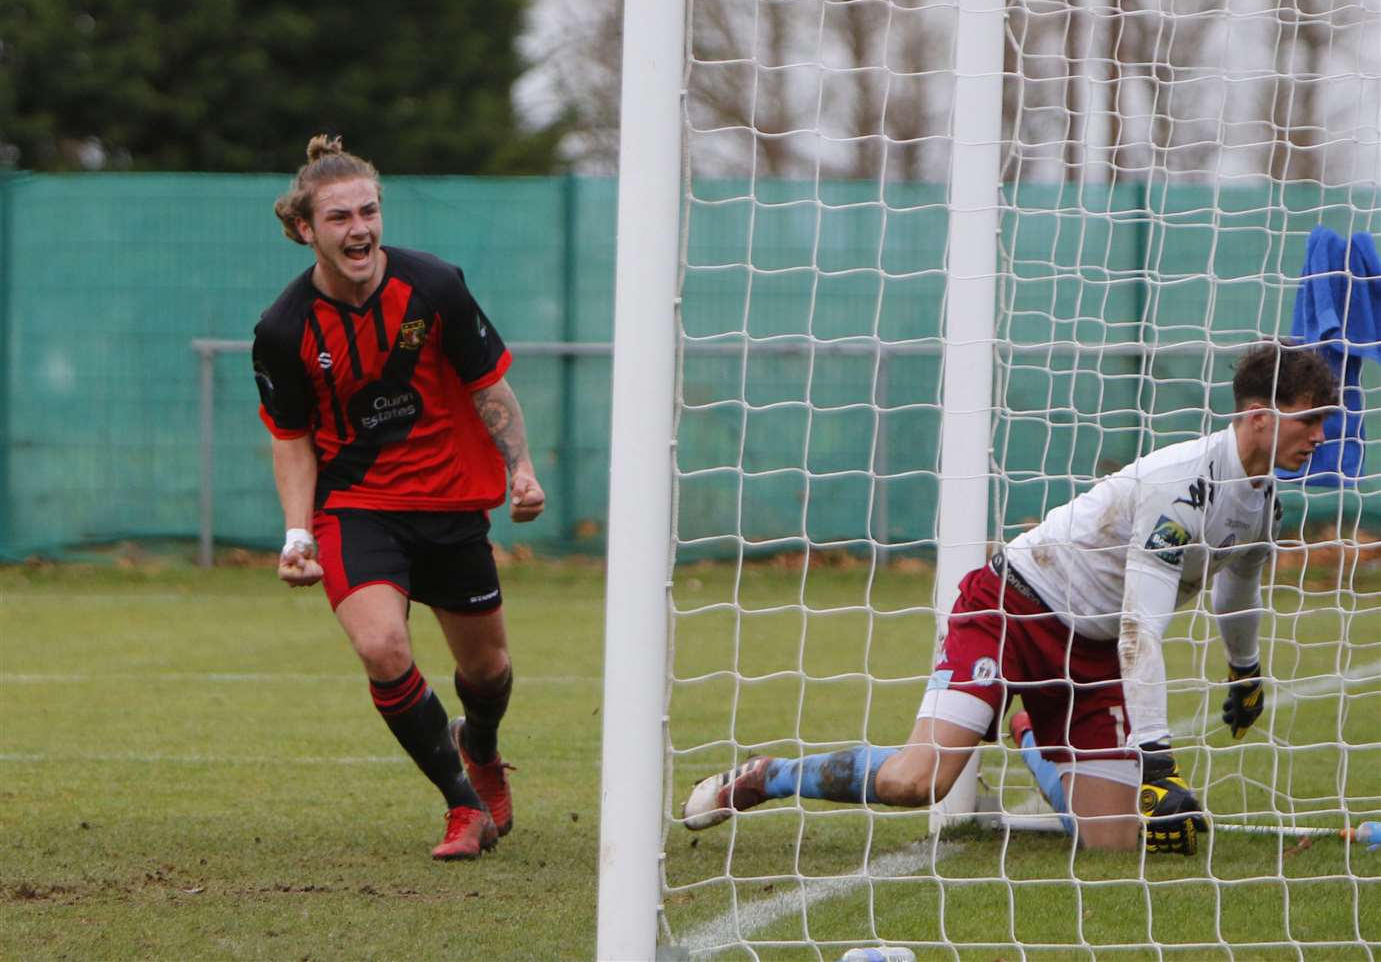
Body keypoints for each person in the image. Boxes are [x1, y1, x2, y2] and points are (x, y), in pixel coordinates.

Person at [683, 341, 1337, 854]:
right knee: (918, 782)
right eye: (1310, 420)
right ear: (1259, 416)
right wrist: (1157, 762)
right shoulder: (1177, 486)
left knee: (1111, 843)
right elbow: (1142, 627)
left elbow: (1238, 585)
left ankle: (1027, 729)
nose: (1318, 436)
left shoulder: (1262, 506)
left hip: (1093, 655)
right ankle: (767, 776)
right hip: (1013, 610)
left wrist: (1244, 669)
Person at [252, 135, 545, 860]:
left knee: (489, 671)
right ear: (304, 230)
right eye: (340, 218)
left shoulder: (435, 285)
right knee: (382, 647)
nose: (359, 229)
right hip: (357, 506)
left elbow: (488, 384)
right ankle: (463, 806)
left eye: (368, 211)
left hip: (450, 504)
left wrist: (522, 469)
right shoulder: (283, 328)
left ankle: (478, 748)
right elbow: (290, 436)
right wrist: (297, 534)